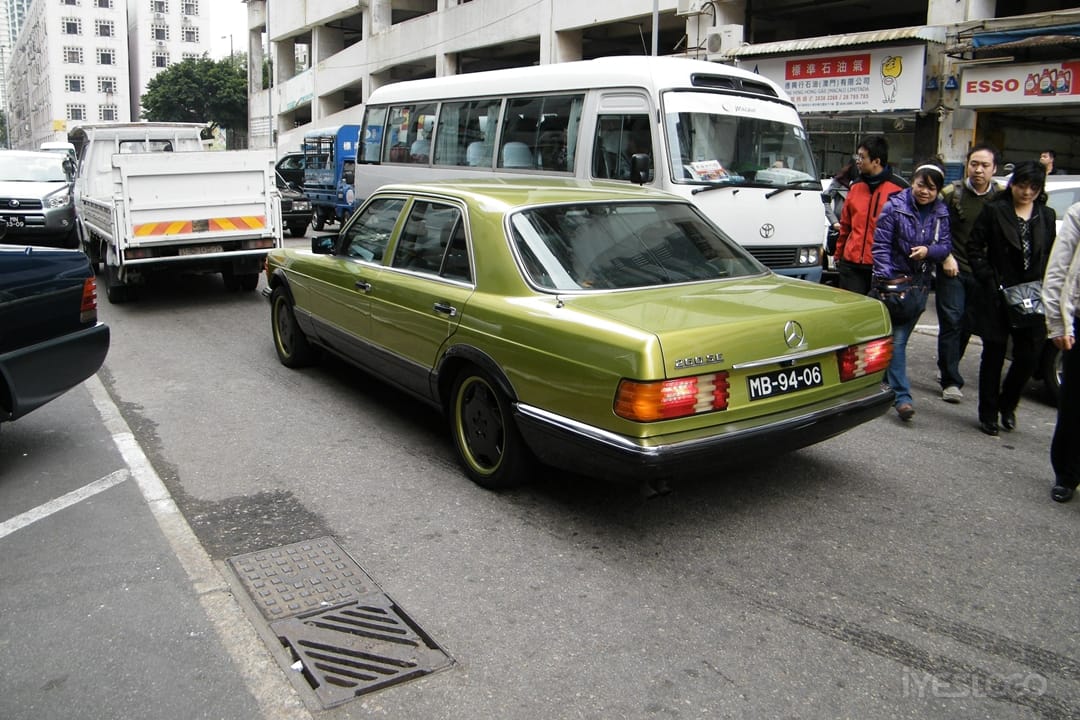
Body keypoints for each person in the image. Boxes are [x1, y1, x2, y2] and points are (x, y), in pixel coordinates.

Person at [968, 161, 1057, 436]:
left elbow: (1050, 254)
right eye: (1022, 185)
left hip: (1032, 295)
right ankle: (988, 413)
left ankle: (1008, 404)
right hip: (999, 293)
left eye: (1033, 187)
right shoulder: (996, 210)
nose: (1026, 192)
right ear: (1013, 184)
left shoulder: (1047, 215)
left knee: (1028, 357)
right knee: (993, 353)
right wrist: (989, 278)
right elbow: (974, 246)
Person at [871, 161, 952, 421]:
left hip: (919, 285)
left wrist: (929, 251)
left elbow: (945, 246)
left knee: (896, 341)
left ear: (938, 190)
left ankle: (881, 383)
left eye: (931, 187)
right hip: (895, 284)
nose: (924, 191)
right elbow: (881, 245)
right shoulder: (894, 207)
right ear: (912, 182)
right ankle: (902, 397)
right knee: (898, 341)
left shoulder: (941, 213)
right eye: (920, 185)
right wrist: (887, 279)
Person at [935, 143, 1005, 404]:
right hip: (954, 268)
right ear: (967, 165)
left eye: (985, 165)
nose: (978, 170)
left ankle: (947, 363)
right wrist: (946, 256)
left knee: (968, 324)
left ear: (994, 169)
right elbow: (936, 228)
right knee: (952, 322)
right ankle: (951, 380)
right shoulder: (951, 194)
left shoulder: (1001, 196)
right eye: (974, 164)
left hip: (984, 273)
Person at [835, 136, 909, 296]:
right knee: (852, 312)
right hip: (852, 263)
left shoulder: (900, 189)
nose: (858, 161)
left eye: (862, 157)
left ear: (876, 161)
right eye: (857, 156)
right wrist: (838, 254)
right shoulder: (855, 186)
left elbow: (905, 231)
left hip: (883, 265)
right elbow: (846, 225)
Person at [1042, 201, 1080, 502]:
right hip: (1078, 319)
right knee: (1074, 402)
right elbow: (1059, 267)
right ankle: (1067, 473)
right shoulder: (1078, 213)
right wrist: (1057, 322)